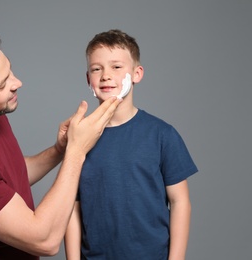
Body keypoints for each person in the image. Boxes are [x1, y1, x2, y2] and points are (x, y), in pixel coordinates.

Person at [0, 29, 121, 260]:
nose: (17, 83)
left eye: (10, 71)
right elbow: (44, 241)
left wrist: (60, 149)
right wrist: (77, 150)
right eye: (2, 84)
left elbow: (8, 177)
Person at [64, 29, 198, 259]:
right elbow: (71, 208)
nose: (106, 75)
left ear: (137, 74)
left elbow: (180, 202)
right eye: (97, 69)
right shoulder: (79, 139)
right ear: (88, 79)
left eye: (116, 67)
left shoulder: (162, 135)